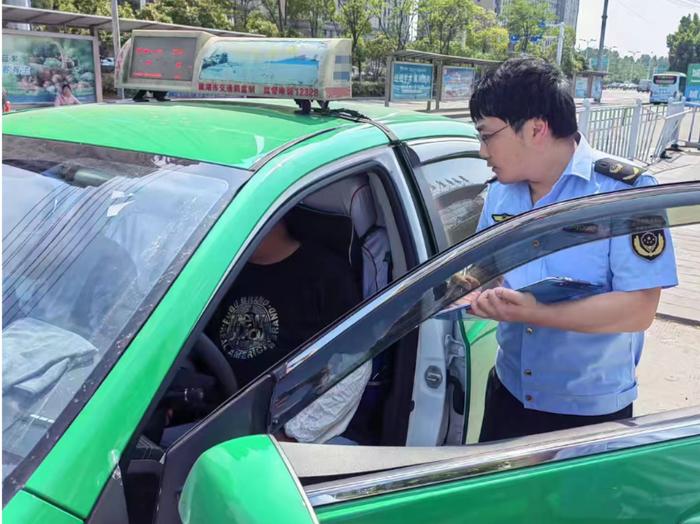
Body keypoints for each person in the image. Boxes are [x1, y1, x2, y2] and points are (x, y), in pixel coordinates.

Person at [466, 57, 678, 442]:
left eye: (486, 135)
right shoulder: (500, 193)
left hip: (588, 414)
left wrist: (537, 312)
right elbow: (486, 270)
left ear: (536, 129)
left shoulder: (625, 191)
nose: (483, 151)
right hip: (509, 392)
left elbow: (639, 309)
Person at [205, 219, 366, 442]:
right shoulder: (228, 271)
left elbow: (355, 362)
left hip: (282, 431)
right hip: (214, 414)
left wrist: (291, 435)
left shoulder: (326, 275)